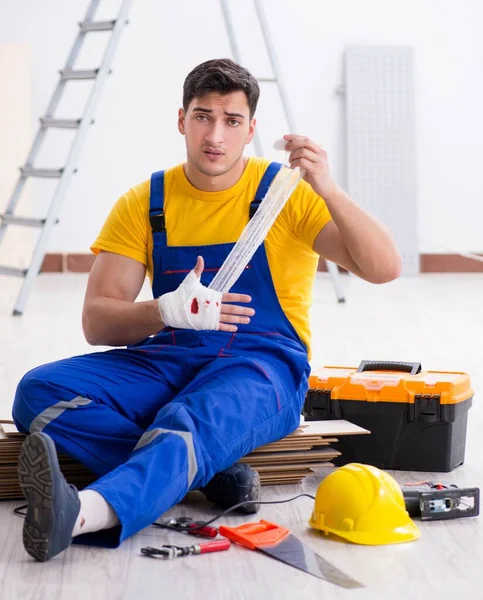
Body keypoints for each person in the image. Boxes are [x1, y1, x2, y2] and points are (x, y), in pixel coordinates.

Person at [12, 58, 402, 562]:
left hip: (261, 366)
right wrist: (165, 311)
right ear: (182, 120)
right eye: (203, 116)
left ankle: (85, 511)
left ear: (250, 129)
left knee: (185, 418)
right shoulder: (146, 203)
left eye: (231, 120)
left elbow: (384, 267)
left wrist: (326, 185)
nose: (215, 134)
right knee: (39, 392)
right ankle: (209, 471)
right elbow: (97, 322)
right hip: (168, 356)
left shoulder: (284, 196)